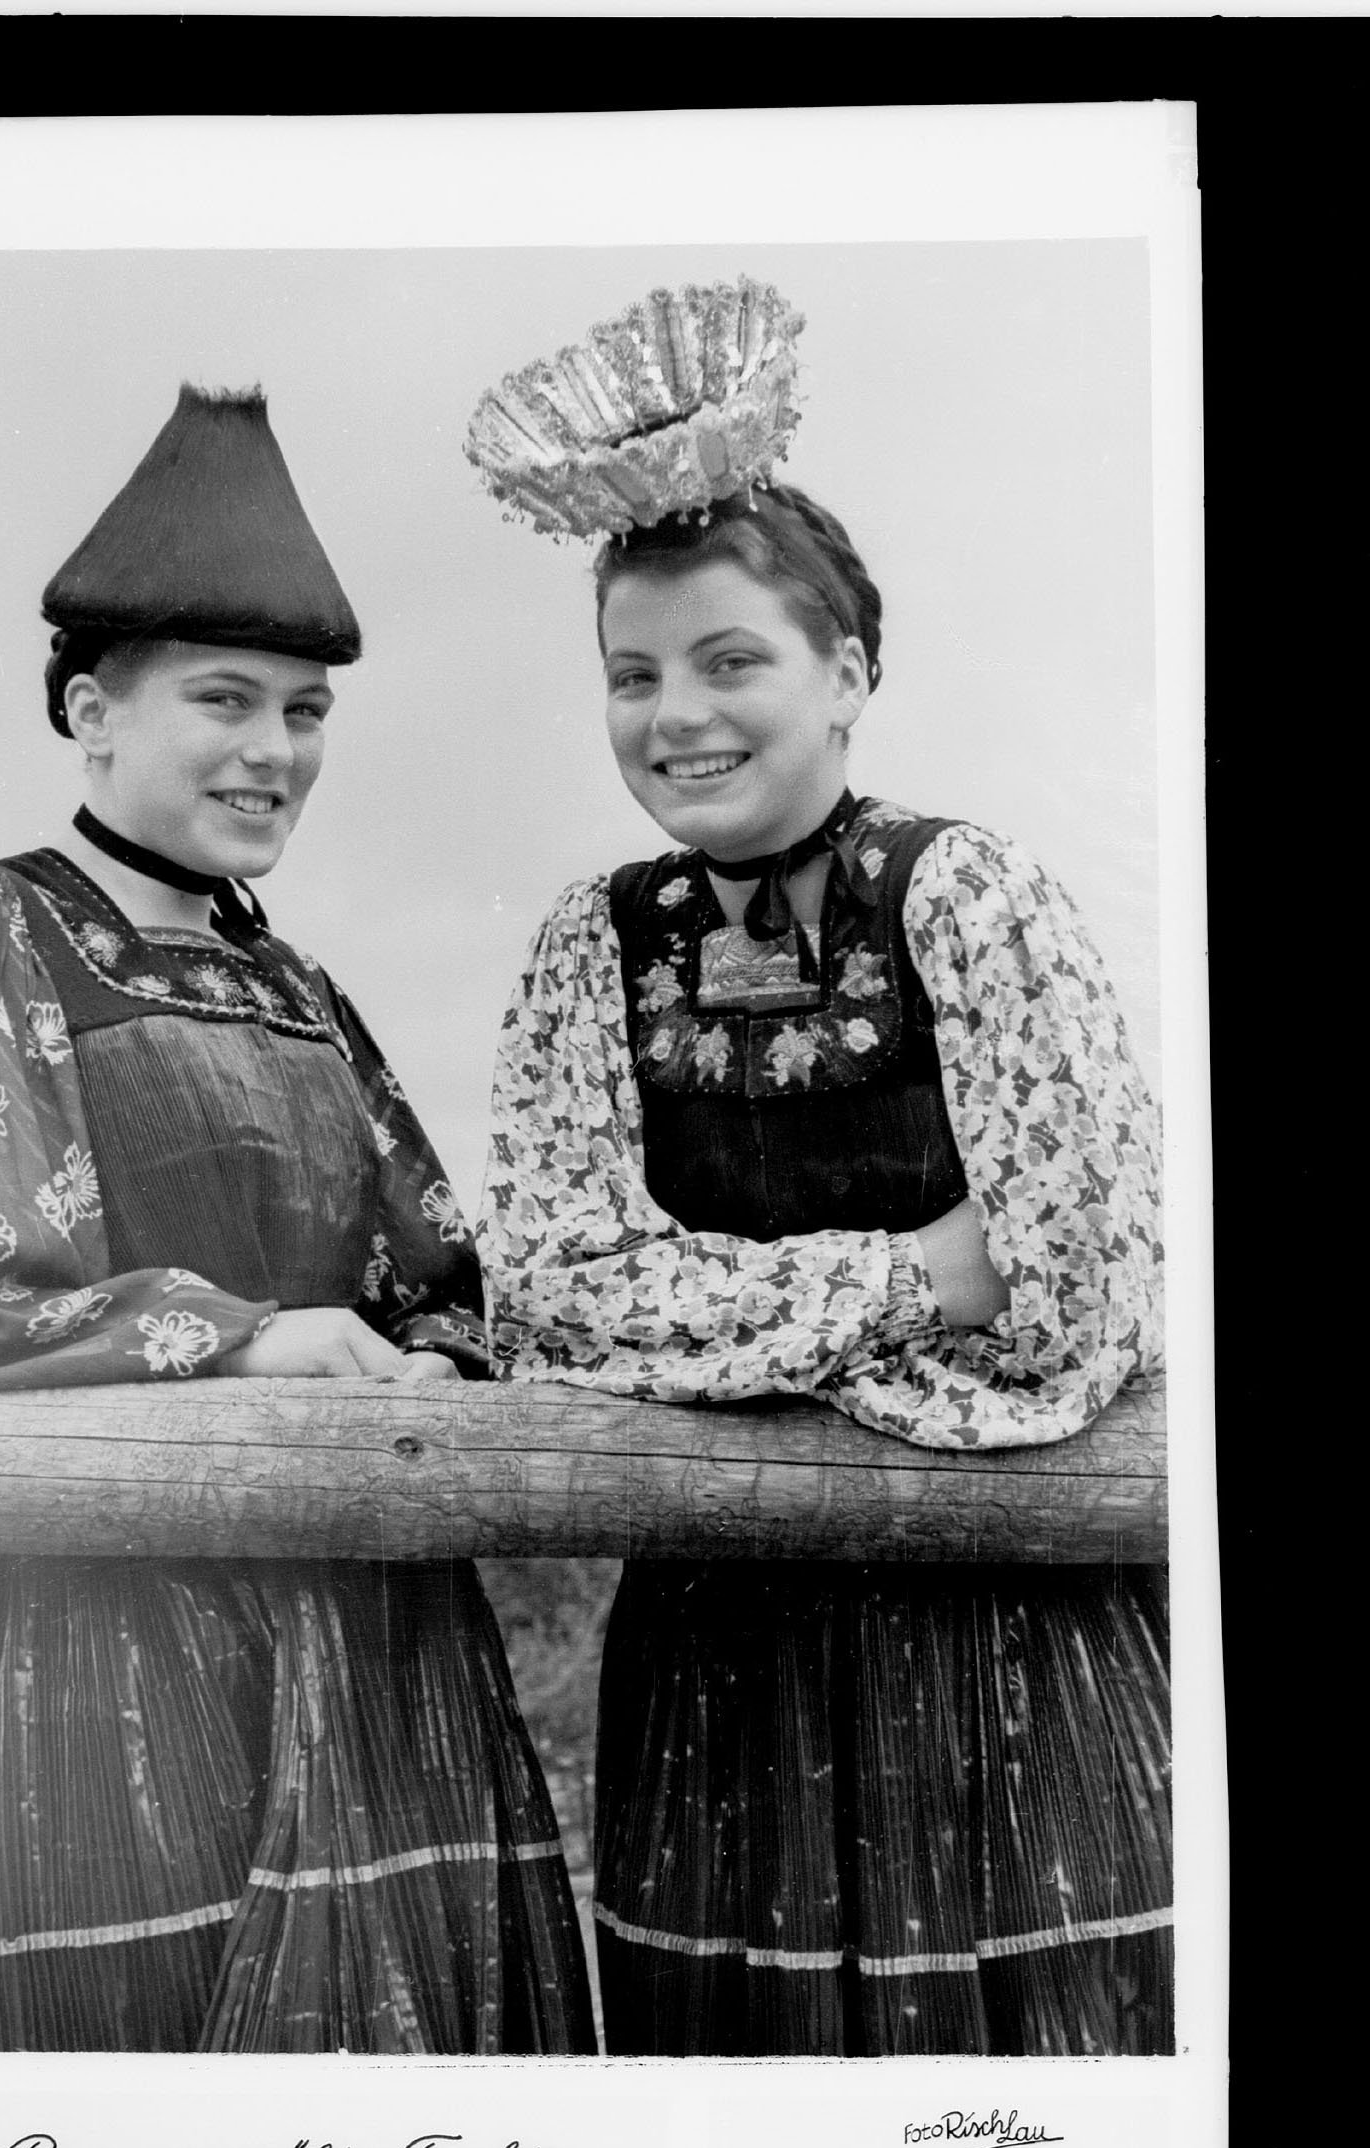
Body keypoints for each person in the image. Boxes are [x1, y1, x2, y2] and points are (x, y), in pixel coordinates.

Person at [469, 282, 1171, 2057]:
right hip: (714, 1658)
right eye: (633, 674)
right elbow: (555, 1300)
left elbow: (1076, 1306)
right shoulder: (588, 947)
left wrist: (715, 1333)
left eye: (731, 662)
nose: (675, 716)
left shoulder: (972, 899)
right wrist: (920, 1275)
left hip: (1002, 1634)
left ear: (849, 673)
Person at [0, 382, 594, 2055]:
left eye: (304, 711)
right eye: (224, 700)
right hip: (123, 1640)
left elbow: (437, 1267)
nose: (275, 751)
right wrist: (241, 1343)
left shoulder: (302, 987)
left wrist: (435, 1363)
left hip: (386, 1647)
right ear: (91, 710)